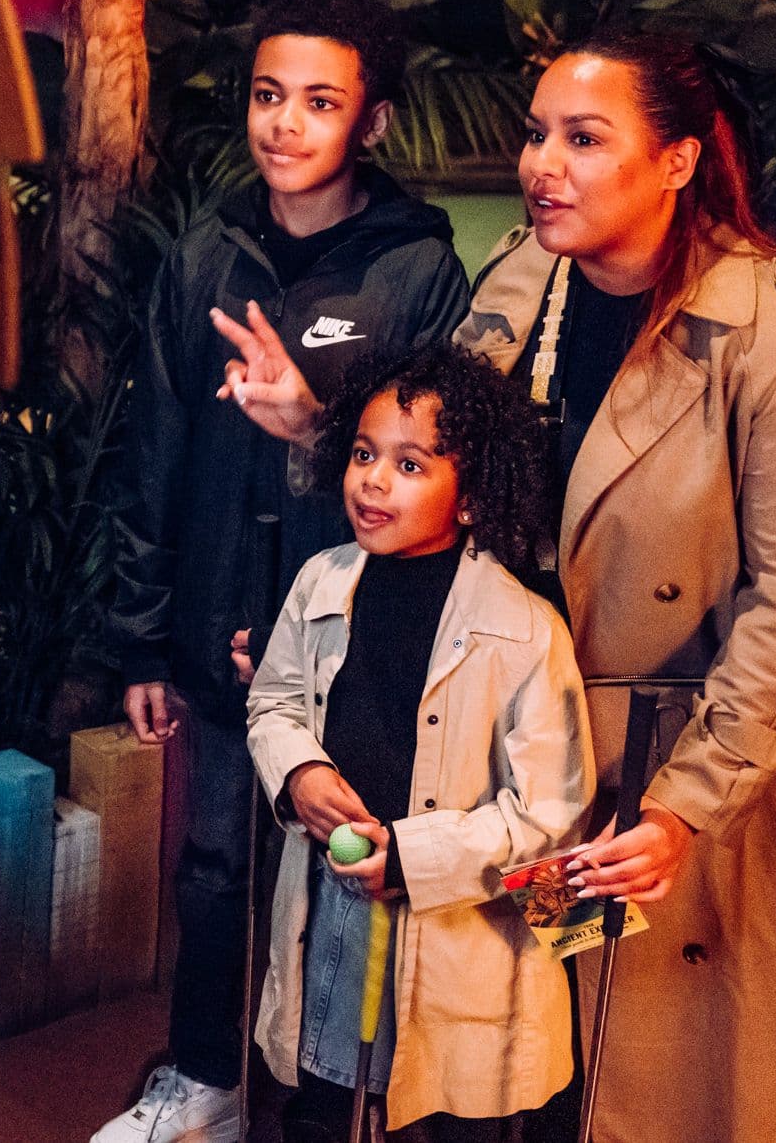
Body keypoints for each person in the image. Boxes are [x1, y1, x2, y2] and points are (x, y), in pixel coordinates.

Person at [211, 29, 776, 1143]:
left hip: (698, 755)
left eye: (582, 137)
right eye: (534, 133)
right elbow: (448, 467)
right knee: (513, 1069)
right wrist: (322, 448)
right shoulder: (527, 275)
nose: (541, 163)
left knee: (680, 1085)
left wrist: (682, 806)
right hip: (525, 735)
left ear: (674, 161)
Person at [95, 0, 471, 1143]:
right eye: (267, 95)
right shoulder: (206, 253)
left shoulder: (412, 264)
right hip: (217, 631)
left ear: (371, 120)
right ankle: (202, 1078)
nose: (285, 123)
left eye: (318, 99)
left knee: (337, 880)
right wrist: (143, 635)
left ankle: (326, 1105)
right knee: (213, 867)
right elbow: (150, 446)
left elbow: (441, 462)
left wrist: (317, 421)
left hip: (354, 641)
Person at [248, 343, 593, 1141]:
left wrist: (412, 857)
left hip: (460, 933)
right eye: (365, 454)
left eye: (411, 465)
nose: (373, 479)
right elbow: (272, 702)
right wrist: (297, 769)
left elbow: (550, 813)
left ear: (470, 495)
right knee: (324, 1101)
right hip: (337, 908)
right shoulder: (318, 580)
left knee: (440, 1110)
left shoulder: (526, 629)